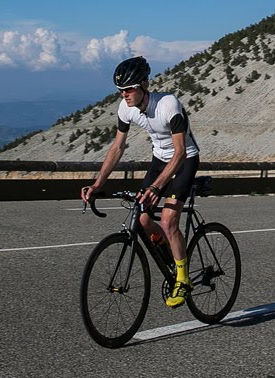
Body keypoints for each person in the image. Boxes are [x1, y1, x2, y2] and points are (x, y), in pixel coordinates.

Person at [81, 56, 200, 307]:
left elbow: (179, 152)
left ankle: (183, 278)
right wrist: (97, 184)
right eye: (120, 90)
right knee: (144, 219)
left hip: (185, 159)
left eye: (129, 88)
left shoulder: (168, 104)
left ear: (145, 84)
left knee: (168, 220)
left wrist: (157, 186)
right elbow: (117, 147)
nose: (124, 94)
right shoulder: (125, 108)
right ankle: (171, 256)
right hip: (159, 159)